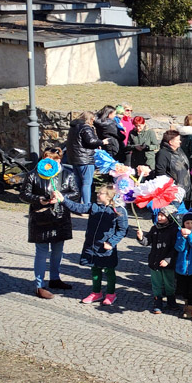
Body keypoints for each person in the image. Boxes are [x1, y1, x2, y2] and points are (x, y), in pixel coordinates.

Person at [55, 182, 128, 305]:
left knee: (109, 271)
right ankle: (96, 292)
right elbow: (78, 207)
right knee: (95, 269)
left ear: (109, 196)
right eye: (98, 192)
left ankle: (111, 294)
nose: (97, 194)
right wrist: (63, 200)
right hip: (92, 245)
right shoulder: (94, 206)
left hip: (106, 247)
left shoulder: (119, 211)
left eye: (101, 193)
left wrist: (111, 242)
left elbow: (123, 230)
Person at [20, 148, 79, 299]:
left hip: (60, 217)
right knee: (41, 252)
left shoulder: (67, 174)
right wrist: (40, 199)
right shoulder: (33, 175)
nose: (52, 162)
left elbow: (75, 193)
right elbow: (24, 194)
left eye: (55, 159)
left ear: (59, 160)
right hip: (41, 218)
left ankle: (55, 278)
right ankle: (39, 285)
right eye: (48, 159)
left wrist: (61, 197)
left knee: (58, 250)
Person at [136, 205, 179, 315]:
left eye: (162, 216)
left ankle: (171, 301)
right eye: (158, 215)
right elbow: (147, 242)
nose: (159, 217)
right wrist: (141, 238)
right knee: (156, 284)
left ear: (169, 217)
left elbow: (175, 249)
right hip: (154, 261)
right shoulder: (154, 228)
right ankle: (157, 302)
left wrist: (167, 260)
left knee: (169, 284)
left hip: (167, 264)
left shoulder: (174, 230)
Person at [65, 111, 104, 204]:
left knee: (78, 182)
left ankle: (78, 204)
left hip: (75, 159)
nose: (93, 122)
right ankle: (86, 204)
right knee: (87, 183)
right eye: (93, 120)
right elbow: (91, 141)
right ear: (90, 119)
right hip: (85, 159)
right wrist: (102, 142)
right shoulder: (85, 128)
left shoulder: (73, 127)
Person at [174, 211, 192, 319]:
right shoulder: (179, 233)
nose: (189, 225)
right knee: (183, 287)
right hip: (182, 266)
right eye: (187, 223)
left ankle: (191, 306)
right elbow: (179, 248)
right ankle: (186, 302)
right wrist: (182, 237)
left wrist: (190, 235)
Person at [154, 130, 192, 200]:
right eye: (177, 140)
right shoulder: (163, 154)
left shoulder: (179, 151)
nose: (180, 141)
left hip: (185, 189)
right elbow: (160, 173)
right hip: (173, 192)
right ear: (170, 142)